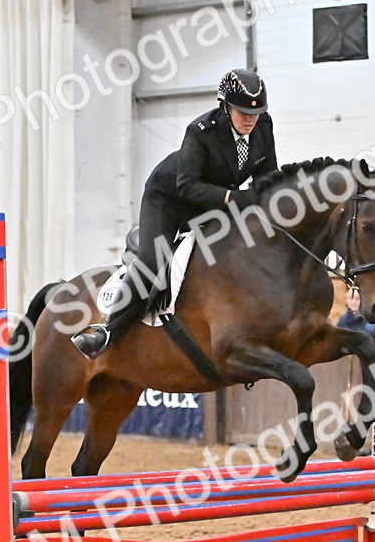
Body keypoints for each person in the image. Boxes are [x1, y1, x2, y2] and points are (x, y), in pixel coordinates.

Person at [71, 68, 279, 359]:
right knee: (153, 264)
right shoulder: (200, 132)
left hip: (212, 202)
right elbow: (187, 186)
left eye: (255, 113)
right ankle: (107, 331)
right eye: (243, 112)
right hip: (170, 200)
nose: (250, 119)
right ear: (225, 106)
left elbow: (267, 177)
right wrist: (234, 197)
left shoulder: (262, 126)